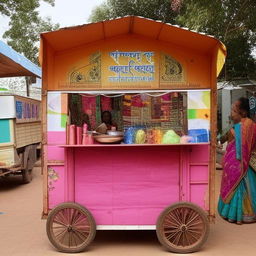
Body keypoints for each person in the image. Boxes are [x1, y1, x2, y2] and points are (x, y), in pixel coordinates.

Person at [218, 97, 256, 224]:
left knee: (241, 186)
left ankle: (241, 215)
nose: (231, 114)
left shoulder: (248, 126)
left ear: (243, 113)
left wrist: (239, 163)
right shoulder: (237, 127)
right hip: (237, 163)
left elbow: (244, 149)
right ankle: (234, 215)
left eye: (234, 111)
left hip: (245, 165)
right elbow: (231, 145)